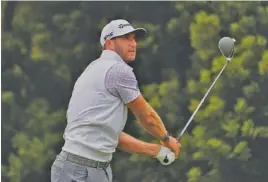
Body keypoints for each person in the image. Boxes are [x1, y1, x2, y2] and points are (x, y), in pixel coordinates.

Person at [51, 19, 181, 182]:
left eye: (134, 38)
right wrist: (167, 139)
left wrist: (156, 151)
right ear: (109, 42)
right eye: (126, 38)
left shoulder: (93, 68)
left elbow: (112, 136)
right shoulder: (118, 70)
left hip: (88, 169)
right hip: (79, 170)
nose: (133, 43)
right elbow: (146, 116)